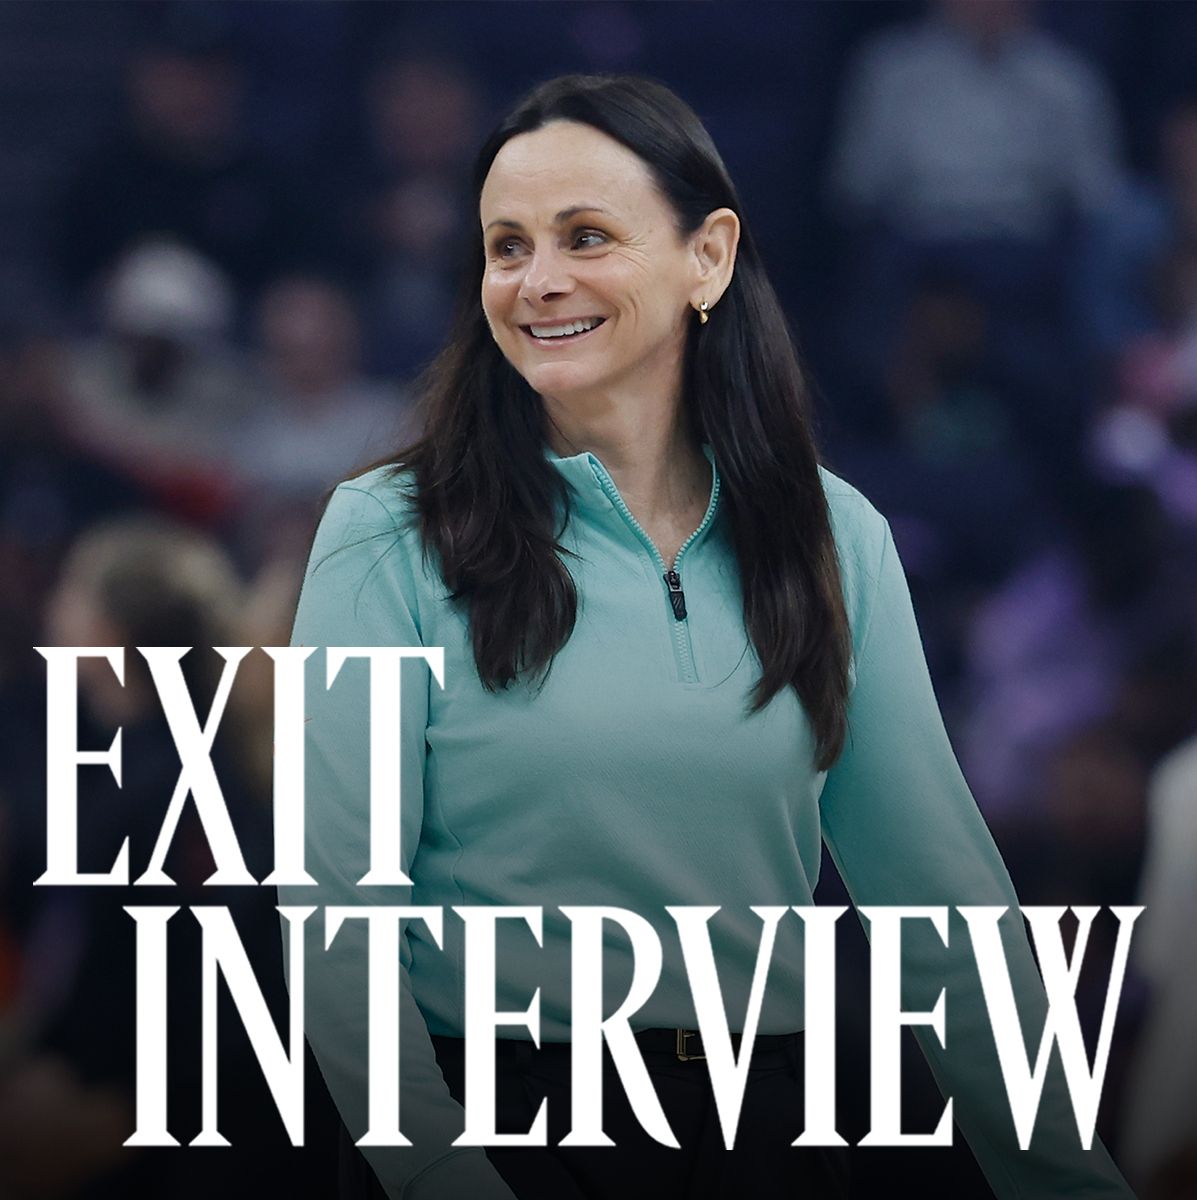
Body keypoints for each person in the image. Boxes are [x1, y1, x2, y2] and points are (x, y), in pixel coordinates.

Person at [284, 75, 1135, 1200]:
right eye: (506, 246)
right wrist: (440, 1170)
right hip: (489, 1128)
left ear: (709, 257)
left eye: (586, 236)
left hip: (769, 1128)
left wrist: (1070, 1182)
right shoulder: (383, 532)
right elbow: (332, 916)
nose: (538, 281)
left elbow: (943, 908)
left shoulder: (836, 536)